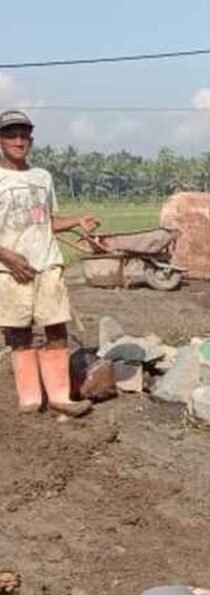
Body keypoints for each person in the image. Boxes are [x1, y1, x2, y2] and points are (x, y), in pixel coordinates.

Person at [0, 110, 96, 417]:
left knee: (56, 329)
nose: (18, 141)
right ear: (1, 141)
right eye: (11, 136)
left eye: (23, 136)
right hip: (9, 270)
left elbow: (47, 222)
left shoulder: (43, 177)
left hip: (48, 264)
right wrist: (7, 256)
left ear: (31, 141)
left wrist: (77, 221)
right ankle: (29, 398)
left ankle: (60, 397)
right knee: (18, 333)